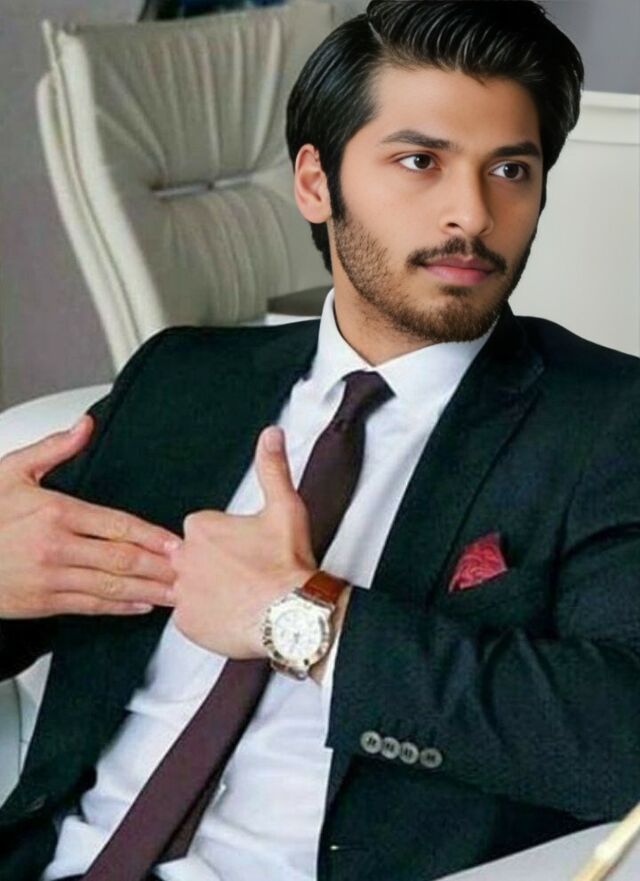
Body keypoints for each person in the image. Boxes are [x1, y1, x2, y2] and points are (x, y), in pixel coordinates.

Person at [1, 1, 639, 880]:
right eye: (420, 161)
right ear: (315, 182)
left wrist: (305, 619)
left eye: (511, 169)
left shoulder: (607, 422)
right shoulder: (181, 380)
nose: (472, 212)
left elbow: (617, 734)